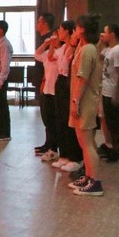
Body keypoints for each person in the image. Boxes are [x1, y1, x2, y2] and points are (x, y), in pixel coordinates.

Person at [68, 14, 105, 196]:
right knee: (84, 142)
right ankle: (89, 176)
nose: (74, 31)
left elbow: (83, 78)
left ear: (82, 30)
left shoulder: (88, 49)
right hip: (83, 99)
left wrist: (76, 101)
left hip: (86, 100)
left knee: (87, 143)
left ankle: (95, 182)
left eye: (76, 28)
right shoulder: (84, 48)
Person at [50, 20, 84, 173]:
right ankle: (64, 154)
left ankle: (75, 157)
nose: (58, 31)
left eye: (61, 29)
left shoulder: (77, 49)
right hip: (61, 82)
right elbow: (50, 57)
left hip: (69, 83)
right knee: (60, 119)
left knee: (69, 121)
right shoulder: (63, 48)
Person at [98, 23, 119, 162]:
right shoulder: (109, 49)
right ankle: (113, 148)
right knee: (109, 123)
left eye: (105, 32)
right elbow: (99, 56)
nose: (103, 34)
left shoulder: (118, 50)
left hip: (113, 91)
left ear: (112, 34)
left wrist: (117, 94)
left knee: (116, 124)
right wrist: (101, 42)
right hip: (106, 90)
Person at [34, 24, 60, 162]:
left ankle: (54, 148)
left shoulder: (60, 52)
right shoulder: (47, 53)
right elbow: (37, 54)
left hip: (56, 91)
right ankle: (49, 145)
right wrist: (46, 43)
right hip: (47, 89)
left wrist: (52, 46)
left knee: (54, 121)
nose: (54, 38)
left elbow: (51, 57)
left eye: (56, 35)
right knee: (47, 120)